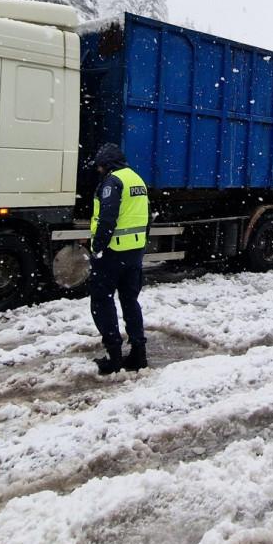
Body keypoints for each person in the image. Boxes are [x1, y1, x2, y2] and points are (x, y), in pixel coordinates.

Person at [86, 142, 149, 374]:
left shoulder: (113, 182)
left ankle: (113, 356)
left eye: (100, 167)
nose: (99, 171)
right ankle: (138, 353)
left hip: (113, 252)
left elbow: (107, 220)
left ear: (107, 164)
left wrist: (97, 248)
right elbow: (146, 218)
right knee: (130, 300)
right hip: (134, 253)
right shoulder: (137, 180)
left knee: (102, 300)